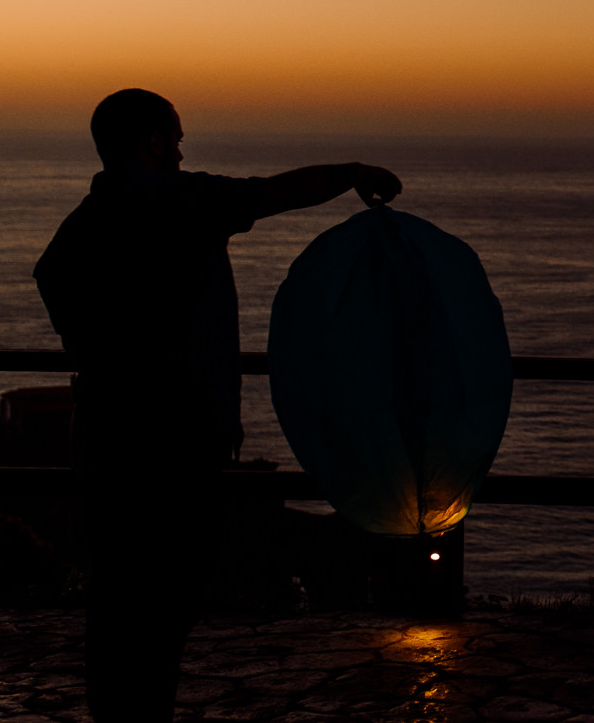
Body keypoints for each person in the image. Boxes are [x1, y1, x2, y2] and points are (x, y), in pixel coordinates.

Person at [32, 88, 400, 723]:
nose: (180, 149)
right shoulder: (180, 201)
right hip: (178, 433)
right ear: (150, 141)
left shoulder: (87, 219)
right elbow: (273, 193)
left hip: (106, 430)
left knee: (117, 590)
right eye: (175, 137)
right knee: (173, 588)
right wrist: (355, 175)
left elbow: (50, 277)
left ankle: (118, 714)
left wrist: (97, 349)